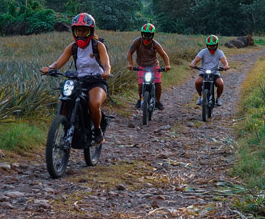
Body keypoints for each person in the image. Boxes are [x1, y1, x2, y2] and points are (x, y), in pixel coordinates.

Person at [41, 12, 111, 145]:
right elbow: (58, 63)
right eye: (79, 30)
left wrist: (106, 71)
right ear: (74, 31)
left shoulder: (98, 45)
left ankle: (97, 131)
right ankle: (67, 127)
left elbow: (106, 63)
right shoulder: (72, 47)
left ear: (90, 31)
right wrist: (49, 68)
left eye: (85, 30)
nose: (81, 33)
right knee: (63, 101)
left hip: (97, 81)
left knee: (94, 104)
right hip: (79, 81)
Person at [127, 22, 171, 110]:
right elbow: (130, 52)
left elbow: (163, 54)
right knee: (140, 85)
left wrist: (167, 65)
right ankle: (141, 99)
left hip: (154, 66)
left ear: (152, 35)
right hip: (141, 66)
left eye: (149, 35)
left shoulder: (155, 44)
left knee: (158, 84)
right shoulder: (137, 42)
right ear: (142, 34)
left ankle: (158, 102)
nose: (146, 37)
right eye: (145, 34)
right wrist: (130, 64)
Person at [189, 34, 230, 106]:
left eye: (213, 45)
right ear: (207, 45)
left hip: (215, 73)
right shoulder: (203, 51)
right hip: (203, 72)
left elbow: (224, 61)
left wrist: (226, 66)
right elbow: (196, 59)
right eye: (209, 46)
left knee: (220, 84)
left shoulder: (219, 52)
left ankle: (218, 98)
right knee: (197, 82)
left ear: (217, 45)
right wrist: (193, 64)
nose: (211, 48)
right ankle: (199, 96)